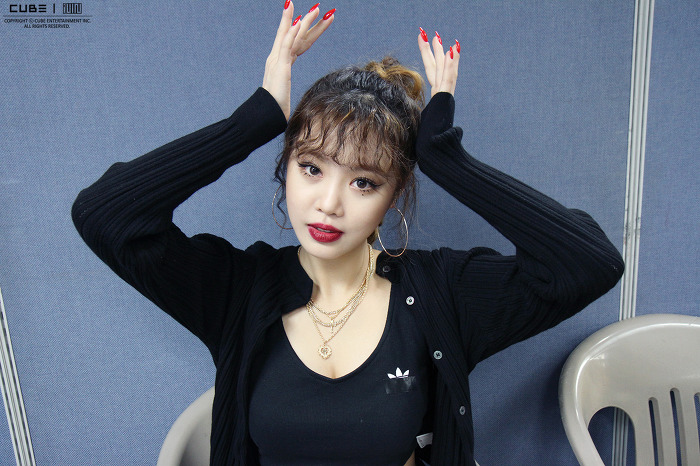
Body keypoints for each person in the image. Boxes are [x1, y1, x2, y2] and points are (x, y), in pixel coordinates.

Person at [72, 2, 624, 465]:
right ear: (285, 169)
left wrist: (443, 158)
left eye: (364, 182)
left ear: (393, 195)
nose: (329, 203)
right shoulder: (237, 290)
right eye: (311, 168)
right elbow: (106, 215)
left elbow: (589, 263)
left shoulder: (442, 295)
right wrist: (256, 120)